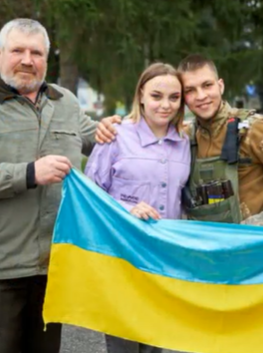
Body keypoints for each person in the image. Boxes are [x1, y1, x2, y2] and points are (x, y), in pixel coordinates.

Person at [0, 18, 98, 353]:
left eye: (36, 52)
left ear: (46, 59)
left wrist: (147, 128)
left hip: (54, 263)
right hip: (1, 265)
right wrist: (29, 173)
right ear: (0, 54)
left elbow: (101, 139)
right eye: (18, 50)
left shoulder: (66, 103)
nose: (27, 59)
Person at [97, 54, 263, 235]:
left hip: (258, 247)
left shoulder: (253, 129)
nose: (201, 95)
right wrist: (114, 127)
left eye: (207, 85)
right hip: (205, 251)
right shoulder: (182, 137)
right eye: (190, 90)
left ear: (220, 86)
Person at [85, 62, 190, 353]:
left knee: (155, 345)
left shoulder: (184, 142)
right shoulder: (115, 135)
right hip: (123, 258)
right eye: (156, 96)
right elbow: (90, 198)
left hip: (162, 262)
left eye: (174, 97)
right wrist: (125, 209)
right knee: (124, 346)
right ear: (141, 95)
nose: (165, 105)